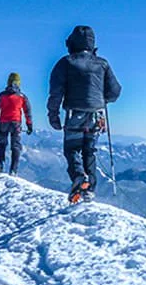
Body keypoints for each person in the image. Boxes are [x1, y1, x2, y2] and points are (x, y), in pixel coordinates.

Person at [47, 25, 122, 203]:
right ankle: (90, 190)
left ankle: (79, 178)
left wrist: (53, 115)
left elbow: (56, 92)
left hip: (74, 113)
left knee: (72, 149)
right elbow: (115, 91)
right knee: (90, 151)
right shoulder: (102, 64)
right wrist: (102, 99)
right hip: (96, 115)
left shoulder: (65, 62)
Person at [0, 72, 33, 175]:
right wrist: (29, 124)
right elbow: (28, 111)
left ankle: (1, 165)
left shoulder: (2, 95)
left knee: (2, 144)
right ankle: (13, 170)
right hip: (16, 123)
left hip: (3, 122)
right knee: (16, 146)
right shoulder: (22, 97)